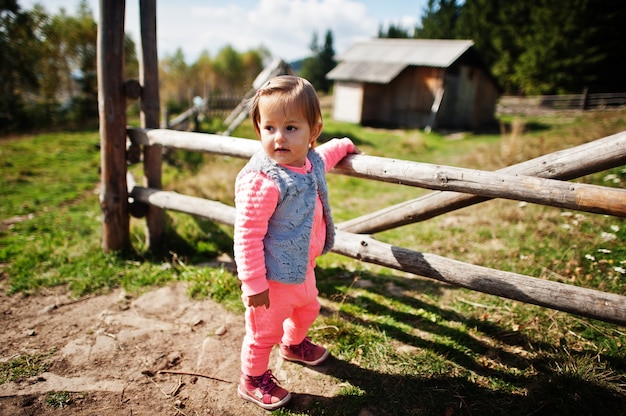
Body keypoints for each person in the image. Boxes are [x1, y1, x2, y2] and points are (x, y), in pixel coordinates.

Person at [233, 75, 358, 410]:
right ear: (258, 129)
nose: (279, 138)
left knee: (308, 309)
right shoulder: (264, 181)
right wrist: (254, 283)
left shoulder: (310, 160)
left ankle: (294, 345)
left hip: (303, 269)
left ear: (312, 132)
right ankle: (253, 378)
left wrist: (344, 144)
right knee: (263, 334)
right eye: (269, 127)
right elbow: (247, 235)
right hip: (270, 280)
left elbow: (327, 156)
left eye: (291, 128)